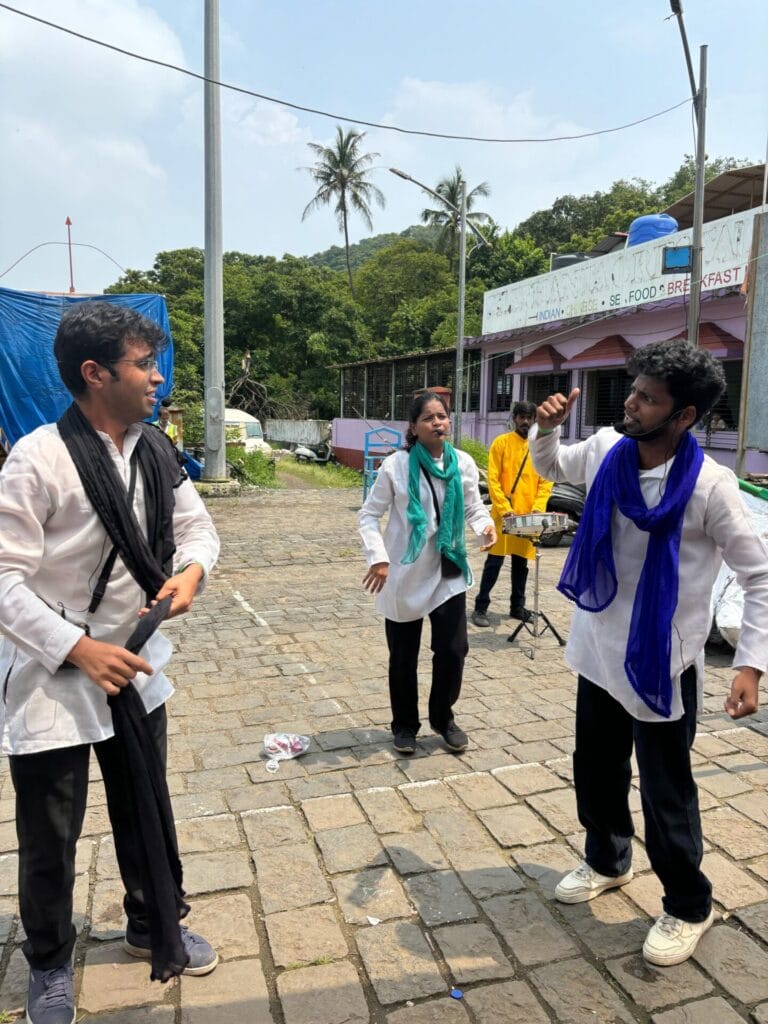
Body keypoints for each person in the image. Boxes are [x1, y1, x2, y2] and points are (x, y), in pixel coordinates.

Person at [0, 303, 221, 1023]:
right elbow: (2, 579)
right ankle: (49, 964)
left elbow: (196, 528)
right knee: (50, 837)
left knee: (143, 808)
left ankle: (149, 920)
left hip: (135, 666)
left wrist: (191, 573)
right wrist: (77, 648)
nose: (157, 378)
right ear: (95, 374)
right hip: (53, 671)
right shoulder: (38, 459)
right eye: (142, 365)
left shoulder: (154, 449)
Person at [530, 339, 768, 968]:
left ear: (684, 416)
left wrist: (749, 662)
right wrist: (545, 432)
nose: (630, 403)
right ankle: (607, 860)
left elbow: (760, 577)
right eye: (633, 390)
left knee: (667, 793)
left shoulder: (711, 488)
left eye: (646, 397)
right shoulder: (609, 452)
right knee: (597, 767)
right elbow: (554, 467)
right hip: (598, 649)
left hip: (664, 664)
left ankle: (689, 904)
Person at [358, 392, 495, 755]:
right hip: (403, 573)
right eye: (429, 418)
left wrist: (486, 527)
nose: (438, 423)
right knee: (403, 657)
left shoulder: (463, 463)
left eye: (443, 416)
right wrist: (379, 557)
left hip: (447, 571)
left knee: (453, 651)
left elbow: (473, 507)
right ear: (414, 428)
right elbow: (368, 515)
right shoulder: (396, 466)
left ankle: (443, 717)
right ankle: (404, 725)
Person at [471, 400, 553, 627]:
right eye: (521, 417)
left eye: (529, 417)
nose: (525, 421)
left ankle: (517, 606)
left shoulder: (540, 447)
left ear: (534, 419)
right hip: (503, 515)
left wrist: (538, 507)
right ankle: (480, 607)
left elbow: (545, 481)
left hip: (528, 517)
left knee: (521, 564)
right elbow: (493, 479)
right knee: (494, 562)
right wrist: (505, 508)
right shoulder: (501, 443)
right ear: (514, 418)